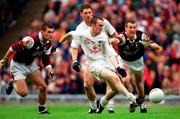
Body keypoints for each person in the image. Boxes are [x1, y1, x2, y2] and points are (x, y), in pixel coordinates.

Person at [51, 4, 119, 113]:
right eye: (85, 13)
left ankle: (110, 106)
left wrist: (111, 43)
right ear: (81, 14)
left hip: (106, 54)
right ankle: (93, 107)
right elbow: (74, 47)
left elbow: (115, 35)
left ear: (92, 13)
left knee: (110, 79)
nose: (88, 15)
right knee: (87, 84)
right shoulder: (79, 28)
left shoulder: (103, 22)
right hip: (91, 58)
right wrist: (74, 61)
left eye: (90, 12)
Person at [61, 16, 136, 113]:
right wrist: (58, 43)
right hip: (94, 64)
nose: (102, 28)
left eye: (102, 26)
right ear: (92, 25)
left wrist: (117, 67)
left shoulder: (103, 37)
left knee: (115, 89)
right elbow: (70, 34)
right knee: (114, 77)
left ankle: (102, 103)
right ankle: (131, 98)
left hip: (105, 62)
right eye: (100, 26)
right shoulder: (82, 33)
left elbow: (109, 53)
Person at [0, 23, 55, 114]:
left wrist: (50, 71)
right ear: (42, 32)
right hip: (18, 65)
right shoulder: (32, 40)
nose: (51, 34)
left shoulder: (48, 44)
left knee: (43, 86)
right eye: (48, 32)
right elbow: (13, 47)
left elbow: (46, 59)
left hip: (30, 64)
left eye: (52, 32)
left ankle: (41, 109)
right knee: (24, 93)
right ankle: (12, 82)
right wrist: (5, 59)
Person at [112, 18, 163, 113]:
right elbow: (116, 40)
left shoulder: (141, 35)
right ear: (125, 28)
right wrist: (110, 41)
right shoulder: (122, 36)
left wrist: (148, 45)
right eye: (130, 27)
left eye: (134, 27)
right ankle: (132, 101)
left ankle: (142, 103)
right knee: (125, 80)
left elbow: (157, 47)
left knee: (138, 83)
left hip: (137, 61)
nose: (132, 29)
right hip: (124, 61)